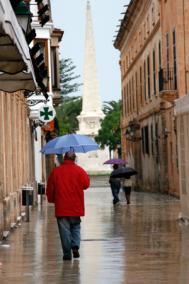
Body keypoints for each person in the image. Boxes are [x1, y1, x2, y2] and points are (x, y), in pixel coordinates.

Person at [46, 150, 90, 261]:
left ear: (64, 158)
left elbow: (50, 188)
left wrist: (51, 199)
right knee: (76, 227)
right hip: (76, 206)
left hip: (62, 207)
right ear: (74, 158)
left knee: (64, 231)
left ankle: (67, 254)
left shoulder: (56, 171)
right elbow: (86, 185)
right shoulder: (80, 171)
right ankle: (75, 245)